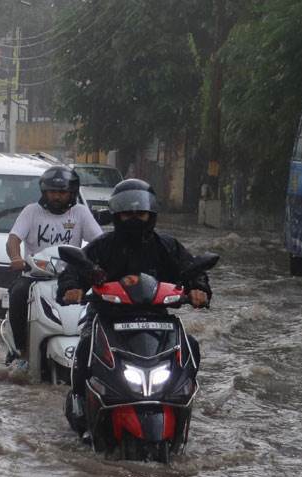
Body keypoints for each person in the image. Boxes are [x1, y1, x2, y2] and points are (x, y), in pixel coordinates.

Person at [57, 178, 212, 430]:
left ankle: (182, 399)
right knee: (85, 346)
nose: (134, 219)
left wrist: (198, 288)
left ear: (150, 214)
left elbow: (191, 268)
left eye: (140, 214)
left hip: (158, 320)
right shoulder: (103, 246)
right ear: (117, 215)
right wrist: (71, 288)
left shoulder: (166, 246)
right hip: (108, 317)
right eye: (127, 214)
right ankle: (79, 402)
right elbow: (77, 268)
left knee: (191, 346)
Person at [5, 165, 104, 369]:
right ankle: (21, 351)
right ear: (44, 192)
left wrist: (101, 264)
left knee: (100, 299)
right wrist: (16, 258)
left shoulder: (80, 213)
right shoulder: (31, 211)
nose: (57, 196)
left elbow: (101, 242)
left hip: (71, 277)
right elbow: (13, 239)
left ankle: (95, 349)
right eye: (52, 191)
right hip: (35, 275)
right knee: (17, 293)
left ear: (72, 192)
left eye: (62, 192)